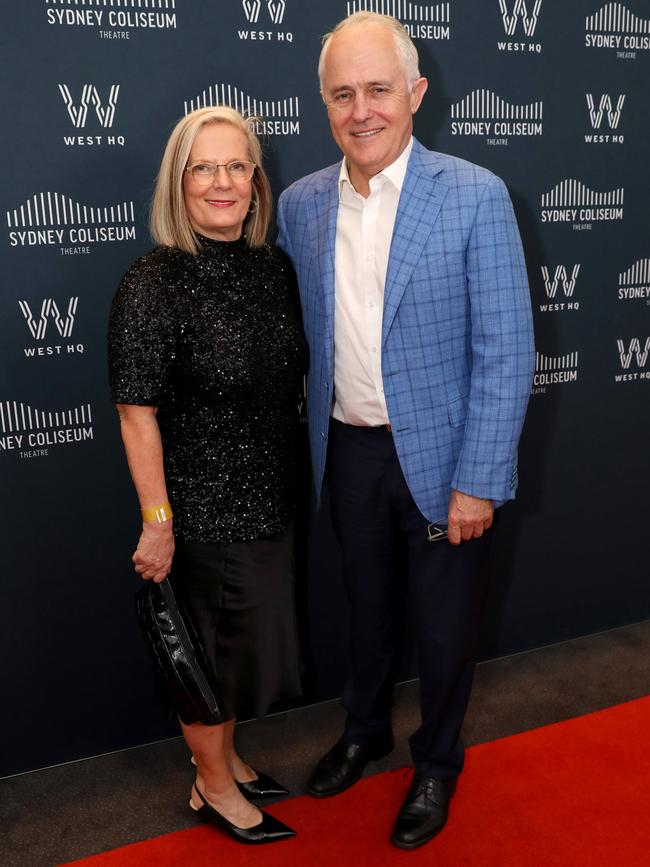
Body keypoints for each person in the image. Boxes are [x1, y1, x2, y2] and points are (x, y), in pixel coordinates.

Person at [277, 11, 535, 851]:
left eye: (379, 89)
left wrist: (478, 477)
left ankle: (437, 759)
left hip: (444, 456)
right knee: (366, 610)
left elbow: (506, 348)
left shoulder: (474, 194)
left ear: (415, 93)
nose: (362, 111)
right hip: (346, 452)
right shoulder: (301, 203)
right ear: (324, 104)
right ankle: (364, 730)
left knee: (445, 623)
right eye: (342, 94)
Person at [108, 106, 307, 845]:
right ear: (179, 182)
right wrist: (158, 521)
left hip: (271, 499)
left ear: (255, 182)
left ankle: (228, 761)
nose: (222, 182)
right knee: (206, 661)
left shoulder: (271, 266)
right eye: (204, 168)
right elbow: (136, 412)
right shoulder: (153, 281)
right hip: (200, 512)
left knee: (243, 655)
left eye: (236, 166)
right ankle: (214, 785)